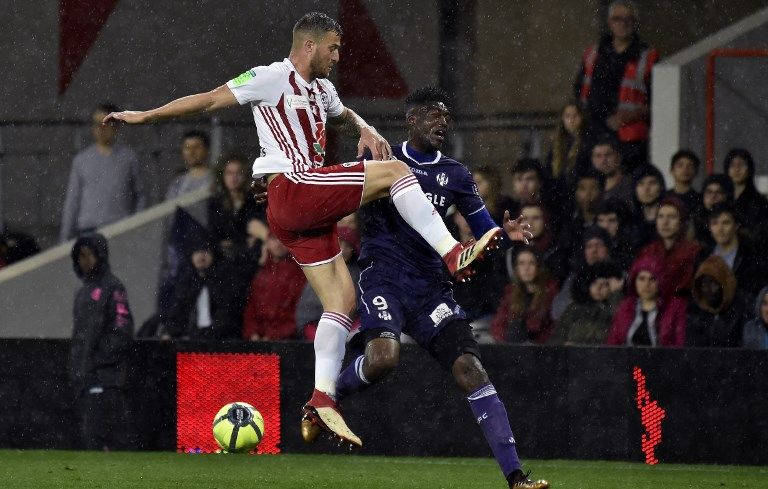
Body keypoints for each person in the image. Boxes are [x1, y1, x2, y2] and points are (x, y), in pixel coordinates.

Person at [104, 12, 501, 446]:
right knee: (396, 172)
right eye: (333, 48)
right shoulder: (270, 78)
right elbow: (207, 100)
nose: (337, 56)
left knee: (343, 299)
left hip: (299, 213)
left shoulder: (323, 90)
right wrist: (144, 117)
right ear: (309, 45)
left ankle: (323, 398)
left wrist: (364, 127)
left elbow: (343, 111)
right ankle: (449, 251)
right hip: (292, 190)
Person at [332, 87, 547, 488]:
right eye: (434, 115)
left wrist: (505, 233)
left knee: (471, 369)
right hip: (384, 278)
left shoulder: (456, 174)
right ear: (411, 120)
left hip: (431, 289)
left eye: (446, 118)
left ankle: (516, 478)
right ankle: (329, 398)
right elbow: (333, 192)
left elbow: (484, 235)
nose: (442, 123)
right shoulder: (378, 157)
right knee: (383, 359)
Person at [574, 0, 658, 171]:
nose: (623, 23)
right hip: (593, 132)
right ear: (609, 22)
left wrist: (630, 117)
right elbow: (579, 90)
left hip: (629, 138)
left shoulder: (647, 56)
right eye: (618, 19)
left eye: (628, 19)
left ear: (635, 23)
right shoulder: (593, 53)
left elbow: (658, 102)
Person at [68, 233, 134, 450]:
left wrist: (98, 360)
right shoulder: (82, 292)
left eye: (89, 255)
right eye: (81, 256)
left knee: (102, 435)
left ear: (100, 256)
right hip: (87, 377)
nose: (85, 261)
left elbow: (122, 329)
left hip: (105, 378)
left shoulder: (112, 287)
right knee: (90, 437)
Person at [60, 103, 145, 242]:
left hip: (120, 230)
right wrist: (65, 237)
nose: (100, 129)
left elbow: (141, 194)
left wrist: (136, 226)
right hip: (88, 231)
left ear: (116, 126)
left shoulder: (129, 158)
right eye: (96, 124)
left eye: (105, 123)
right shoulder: (81, 160)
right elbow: (72, 201)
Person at [163, 235, 242, 340]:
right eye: (197, 252)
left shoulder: (224, 281)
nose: (201, 256)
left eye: (206, 251)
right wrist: (170, 333)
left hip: (218, 343)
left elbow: (225, 318)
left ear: (213, 255)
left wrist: (200, 335)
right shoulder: (186, 283)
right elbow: (177, 313)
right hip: (190, 342)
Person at [295, 224, 361, 341]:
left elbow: (362, 311)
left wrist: (349, 334)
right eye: (340, 243)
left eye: (348, 245)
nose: (343, 249)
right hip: (318, 329)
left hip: (351, 333)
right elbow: (306, 315)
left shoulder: (359, 274)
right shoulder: (318, 269)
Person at [606, 255, 687, 347]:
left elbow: (680, 345)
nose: (646, 284)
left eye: (652, 279)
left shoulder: (675, 307)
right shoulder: (625, 307)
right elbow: (612, 344)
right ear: (634, 281)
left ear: (660, 281)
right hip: (627, 360)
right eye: (641, 279)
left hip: (664, 360)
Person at [242, 233, 308, 341]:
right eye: (274, 239)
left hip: (287, 342)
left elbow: (299, 312)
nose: (278, 244)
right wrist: (252, 332)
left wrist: (274, 335)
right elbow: (251, 308)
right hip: (259, 341)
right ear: (267, 242)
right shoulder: (260, 273)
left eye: (282, 239)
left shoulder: (299, 273)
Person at [633, 196, 700, 302]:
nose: (665, 222)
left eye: (672, 217)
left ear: (682, 221)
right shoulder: (648, 251)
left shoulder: (694, 251)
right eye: (660, 217)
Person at [493, 246, 560, 345]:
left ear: (539, 267)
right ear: (517, 268)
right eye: (521, 263)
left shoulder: (550, 292)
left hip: (541, 350)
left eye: (531, 263)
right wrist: (505, 342)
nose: (526, 268)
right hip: (513, 348)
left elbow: (550, 328)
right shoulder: (511, 292)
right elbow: (498, 324)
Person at [698, 202, 764, 299]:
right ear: (709, 227)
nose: (720, 229)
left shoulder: (751, 257)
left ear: (736, 225)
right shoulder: (703, 256)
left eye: (726, 222)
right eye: (715, 223)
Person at [550, 261, 622, 345]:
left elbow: (615, 336)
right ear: (587, 284)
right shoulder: (574, 308)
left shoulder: (616, 308)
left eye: (605, 284)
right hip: (572, 355)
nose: (598, 288)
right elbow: (557, 338)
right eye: (594, 283)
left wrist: (615, 295)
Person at [686, 255, 751, 348]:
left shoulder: (741, 309)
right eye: (704, 285)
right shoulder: (695, 313)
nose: (709, 290)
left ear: (724, 284)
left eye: (714, 284)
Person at [723, 148, 768, 250]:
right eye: (732, 165)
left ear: (749, 170)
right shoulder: (723, 200)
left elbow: (760, 234)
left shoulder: (760, 202)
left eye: (741, 165)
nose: (737, 169)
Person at [166, 130, 214, 202]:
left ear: (207, 150)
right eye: (187, 148)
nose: (191, 152)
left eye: (196, 147)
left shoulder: (215, 179)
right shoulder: (178, 183)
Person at [692, 174, 734, 246]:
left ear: (726, 196)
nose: (713, 197)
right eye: (709, 192)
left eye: (718, 192)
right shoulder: (695, 221)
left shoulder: (734, 220)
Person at [631, 164, 666, 250]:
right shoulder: (630, 221)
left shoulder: (669, 217)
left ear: (660, 187)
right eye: (641, 184)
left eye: (652, 183)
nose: (646, 188)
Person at [591, 137, 633, 207]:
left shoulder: (629, 185)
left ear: (619, 157)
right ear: (593, 160)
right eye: (598, 156)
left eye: (608, 155)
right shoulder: (595, 188)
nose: (603, 160)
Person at [667, 149, 701, 217]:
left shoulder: (700, 199)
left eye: (690, 165)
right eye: (680, 165)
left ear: (696, 172)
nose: (685, 169)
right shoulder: (664, 197)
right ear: (671, 170)